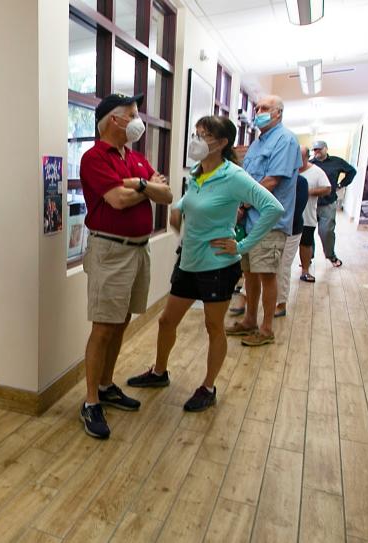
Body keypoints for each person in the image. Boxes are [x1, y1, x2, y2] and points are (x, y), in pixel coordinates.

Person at [127, 116, 281, 410]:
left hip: (218, 265)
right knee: (166, 320)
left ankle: (208, 387)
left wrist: (243, 244)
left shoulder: (234, 176)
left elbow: (273, 208)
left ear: (222, 144)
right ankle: (159, 372)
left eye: (204, 135)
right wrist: (177, 210)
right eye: (195, 133)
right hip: (189, 261)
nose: (196, 140)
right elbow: (189, 202)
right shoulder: (198, 173)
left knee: (213, 327)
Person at [78, 93, 173, 439]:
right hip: (110, 252)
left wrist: (142, 185)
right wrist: (149, 188)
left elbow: (168, 195)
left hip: (138, 251)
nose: (138, 120)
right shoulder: (93, 158)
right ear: (112, 121)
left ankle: (106, 385)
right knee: (103, 327)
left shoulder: (134, 158)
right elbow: (117, 201)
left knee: (121, 323)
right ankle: (90, 403)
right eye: (132, 114)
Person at [226, 95, 300, 347]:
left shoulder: (285, 140)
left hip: (268, 223)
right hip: (249, 222)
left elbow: (272, 181)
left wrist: (244, 202)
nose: (258, 111)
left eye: (265, 108)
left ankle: (267, 328)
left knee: (267, 274)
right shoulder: (257, 144)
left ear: (278, 113)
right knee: (249, 273)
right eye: (257, 108)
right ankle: (249, 320)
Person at [310, 140, 356, 267]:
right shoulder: (310, 164)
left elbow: (352, 171)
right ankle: (308, 256)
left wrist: (341, 184)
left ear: (326, 149)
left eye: (319, 149)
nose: (317, 151)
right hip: (311, 203)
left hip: (328, 202)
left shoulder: (336, 161)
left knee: (326, 231)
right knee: (307, 232)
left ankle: (331, 255)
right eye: (314, 150)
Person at [274, 162, 308, 317]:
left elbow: (296, 209)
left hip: (291, 230)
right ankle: (245, 297)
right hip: (269, 228)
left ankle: (281, 303)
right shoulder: (273, 179)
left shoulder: (300, 182)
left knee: (282, 266)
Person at [297, 146, 332, 283]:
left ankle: (305, 271)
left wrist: (308, 191)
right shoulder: (288, 170)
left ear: (307, 157)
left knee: (305, 243)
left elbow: (327, 188)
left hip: (307, 215)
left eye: (300, 157)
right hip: (288, 217)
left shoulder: (317, 172)